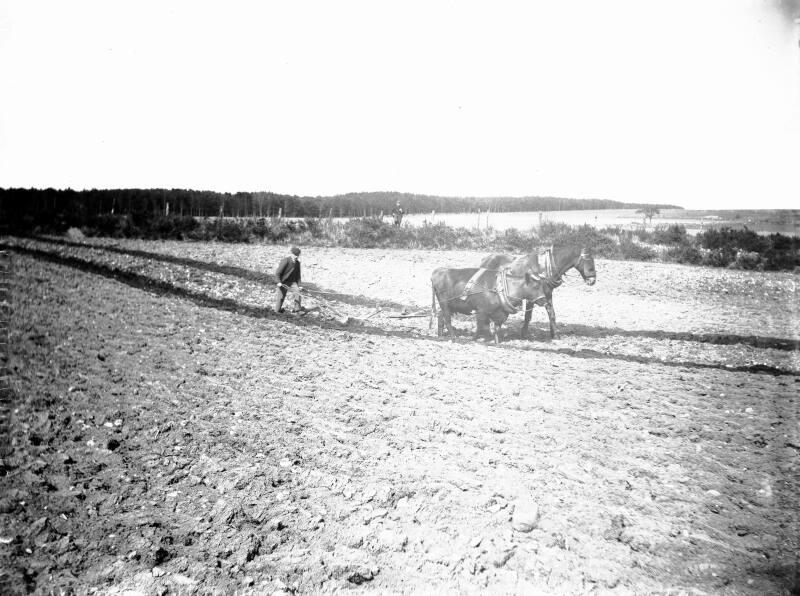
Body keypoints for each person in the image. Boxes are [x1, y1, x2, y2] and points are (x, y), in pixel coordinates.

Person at [274, 246, 303, 313]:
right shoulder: (285, 261)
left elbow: (298, 275)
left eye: (298, 255)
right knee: (281, 297)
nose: (296, 256)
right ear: (291, 254)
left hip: (292, 282)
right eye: (295, 255)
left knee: (298, 292)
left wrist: (300, 285)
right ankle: (276, 311)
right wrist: (278, 282)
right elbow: (278, 273)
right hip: (283, 282)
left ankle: (297, 310)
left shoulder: (297, 263)